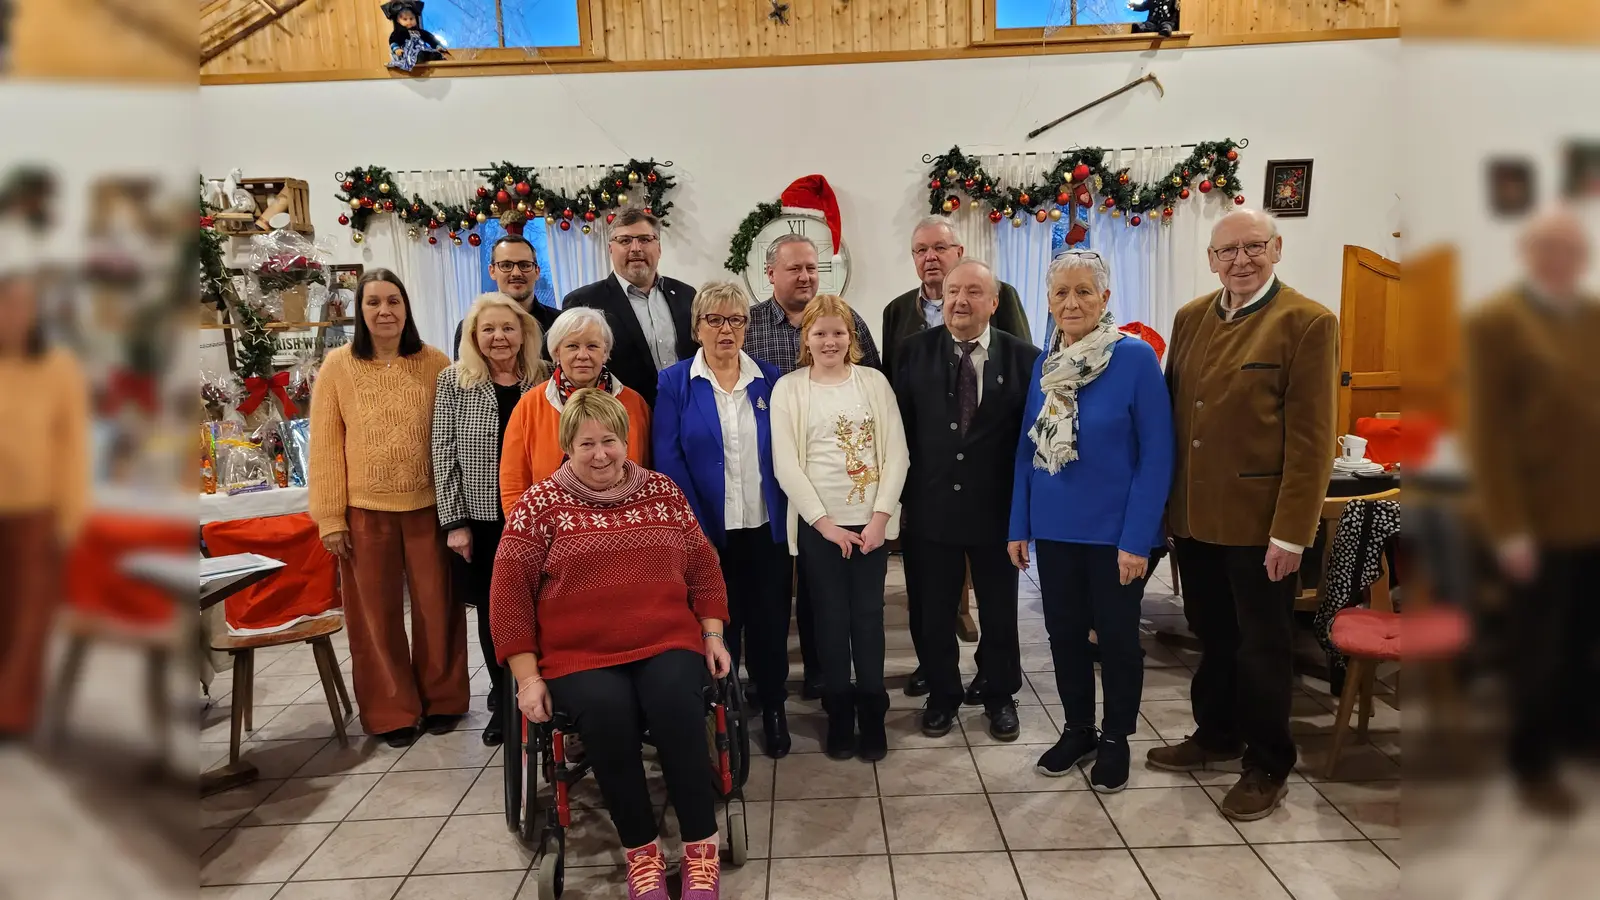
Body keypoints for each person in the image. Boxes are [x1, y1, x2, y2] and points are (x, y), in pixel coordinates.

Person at [491, 389, 731, 900]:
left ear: (626, 441)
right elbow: (508, 599)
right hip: (579, 654)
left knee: (676, 704)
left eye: (609, 441)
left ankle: (700, 849)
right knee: (607, 714)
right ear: (567, 447)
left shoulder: (663, 492)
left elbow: (704, 568)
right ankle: (641, 852)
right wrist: (528, 679)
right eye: (586, 444)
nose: (600, 454)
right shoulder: (539, 505)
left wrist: (712, 634)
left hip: (666, 639)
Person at [1149, 209, 1338, 820]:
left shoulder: (1307, 322)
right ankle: (1217, 734)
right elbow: (1176, 421)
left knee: (1263, 648)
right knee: (1212, 636)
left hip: (1263, 528)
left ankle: (1267, 762)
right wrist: (1166, 509)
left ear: (1276, 248)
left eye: (1253, 246)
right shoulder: (1190, 318)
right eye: (1227, 251)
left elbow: (1312, 442)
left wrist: (1292, 533)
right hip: (1195, 519)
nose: (1240, 260)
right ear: (1211, 260)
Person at [1007, 251, 1173, 792]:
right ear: (1048, 301)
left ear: (1105, 298)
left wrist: (1138, 539)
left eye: (1083, 291)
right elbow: (1028, 448)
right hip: (1055, 528)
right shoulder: (1046, 362)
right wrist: (1018, 524)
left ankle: (1116, 737)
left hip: (1115, 534)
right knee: (1064, 635)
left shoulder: (1134, 358)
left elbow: (1157, 455)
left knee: (1117, 640)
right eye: (1061, 293)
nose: (1072, 302)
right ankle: (1078, 728)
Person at [1465, 207, 1600, 817]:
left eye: (1571, 249)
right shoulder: (1496, 321)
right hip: (1536, 520)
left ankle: (1579, 737)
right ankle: (1533, 762)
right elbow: (1487, 434)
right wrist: (1508, 528)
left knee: (1584, 641)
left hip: (1593, 516)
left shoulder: (1592, 315)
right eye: (1549, 248)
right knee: (1537, 649)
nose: (1561, 260)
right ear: (1529, 253)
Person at [310, 269, 468, 748]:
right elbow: (325, 447)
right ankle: (391, 710)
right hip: (364, 511)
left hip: (429, 507)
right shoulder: (337, 366)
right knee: (374, 618)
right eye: (373, 302)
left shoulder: (435, 362)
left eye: (393, 301)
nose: (384, 311)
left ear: (406, 307)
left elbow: (453, 436)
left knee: (438, 607)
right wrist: (330, 518)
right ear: (359, 311)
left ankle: (443, 700)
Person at [895, 259, 1039, 743]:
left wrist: (1024, 516)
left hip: (997, 512)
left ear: (993, 302)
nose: (960, 300)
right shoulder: (912, 352)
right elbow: (900, 433)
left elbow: (1030, 444)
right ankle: (942, 694)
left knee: (999, 611)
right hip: (930, 507)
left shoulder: (1025, 359)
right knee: (931, 611)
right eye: (953, 291)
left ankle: (999, 694)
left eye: (973, 292)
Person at [653, 281, 793, 759]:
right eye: (714, 320)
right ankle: (725, 711)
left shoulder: (770, 378)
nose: (725, 329)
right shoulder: (675, 382)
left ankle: (772, 705)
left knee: (770, 622)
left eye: (735, 319)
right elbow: (668, 461)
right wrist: (696, 533)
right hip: (708, 531)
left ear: (747, 327)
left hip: (766, 527)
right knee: (719, 625)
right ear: (697, 328)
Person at [771, 294, 908, 762]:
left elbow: (897, 454)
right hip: (820, 525)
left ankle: (872, 707)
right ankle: (839, 710)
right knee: (829, 619)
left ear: (851, 337)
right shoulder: (789, 389)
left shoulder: (873, 382)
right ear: (805, 338)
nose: (829, 341)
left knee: (868, 617)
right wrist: (825, 525)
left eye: (838, 332)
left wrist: (881, 517)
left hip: (870, 524)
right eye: (820, 333)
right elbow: (786, 465)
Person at [744, 233, 881, 700]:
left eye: (812, 268)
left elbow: (869, 383)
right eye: (794, 268)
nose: (805, 276)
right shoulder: (751, 324)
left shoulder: (848, 320)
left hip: (836, 481)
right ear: (770, 274)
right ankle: (779, 677)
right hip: (772, 473)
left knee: (828, 591)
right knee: (787, 583)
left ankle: (824, 671)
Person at [432, 292, 550, 747]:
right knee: (494, 611)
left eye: (508, 328)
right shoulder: (454, 381)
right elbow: (442, 453)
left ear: (524, 333)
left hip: (536, 514)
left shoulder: (543, 377)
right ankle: (504, 701)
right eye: (488, 329)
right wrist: (454, 522)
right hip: (482, 518)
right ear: (473, 336)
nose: (499, 337)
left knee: (542, 605)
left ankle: (541, 690)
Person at [0, 252, 87, 740]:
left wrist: (70, 520)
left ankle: (13, 713)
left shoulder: (57, 368)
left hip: (37, 513)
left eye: (21, 306)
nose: (12, 315)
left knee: (30, 618)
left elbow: (72, 446)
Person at [498, 306, 651, 515]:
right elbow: (513, 484)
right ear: (556, 352)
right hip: (550, 526)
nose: (582, 355)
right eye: (572, 346)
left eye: (592, 346)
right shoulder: (529, 406)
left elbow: (647, 474)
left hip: (625, 522)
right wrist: (524, 527)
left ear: (605, 352)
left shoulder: (634, 404)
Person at [562, 209, 695, 408]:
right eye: (624, 241)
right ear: (610, 249)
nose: (635, 248)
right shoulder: (583, 302)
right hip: (623, 416)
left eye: (644, 239)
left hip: (687, 412)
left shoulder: (687, 295)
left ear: (659, 248)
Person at [882, 215, 1033, 378]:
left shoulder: (1000, 294)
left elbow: (1022, 361)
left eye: (940, 248)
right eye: (921, 250)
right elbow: (891, 375)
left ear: (959, 252)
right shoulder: (896, 310)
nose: (930, 257)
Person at [452, 234, 560, 363]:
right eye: (506, 265)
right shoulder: (471, 327)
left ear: (537, 271)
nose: (516, 273)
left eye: (525, 265)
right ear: (492, 271)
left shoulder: (559, 323)